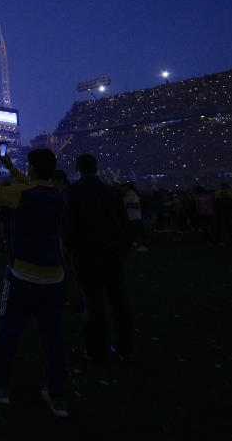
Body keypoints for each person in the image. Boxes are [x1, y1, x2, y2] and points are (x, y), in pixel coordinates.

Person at [0, 149, 69, 418]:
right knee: (53, 338)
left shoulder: (22, 194)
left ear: (30, 167)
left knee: (8, 329)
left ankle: (1, 385)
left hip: (22, 276)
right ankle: (57, 397)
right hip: (55, 277)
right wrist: (12, 166)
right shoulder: (58, 195)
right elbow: (33, 184)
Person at [62, 154, 134, 364]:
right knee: (119, 301)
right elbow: (124, 224)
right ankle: (125, 346)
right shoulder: (111, 192)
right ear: (95, 167)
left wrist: (72, 251)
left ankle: (96, 350)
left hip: (86, 256)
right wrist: (122, 249)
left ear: (77, 168)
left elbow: (68, 227)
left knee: (93, 303)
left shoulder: (73, 192)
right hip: (113, 255)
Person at [122, 182, 147, 252]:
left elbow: (137, 205)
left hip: (135, 216)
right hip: (133, 216)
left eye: (124, 187)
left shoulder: (131, 194)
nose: (123, 188)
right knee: (133, 230)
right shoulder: (130, 194)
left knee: (140, 231)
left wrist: (127, 206)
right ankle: (135, 242)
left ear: (128, 187)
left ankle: (144, 246)